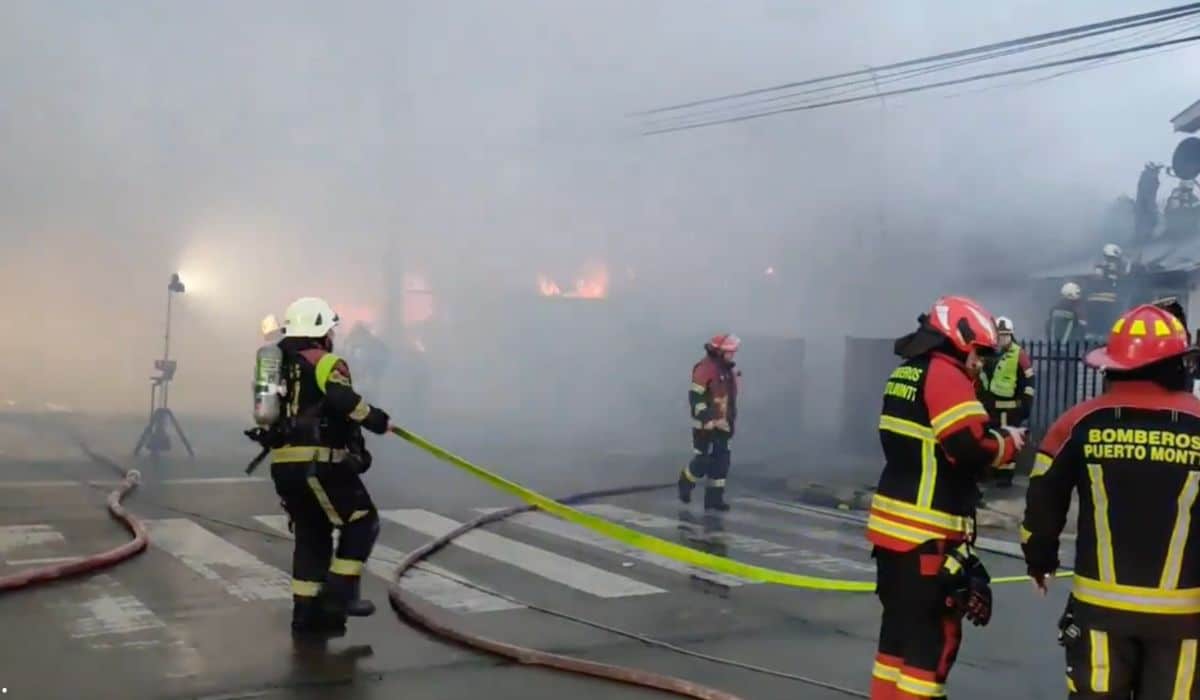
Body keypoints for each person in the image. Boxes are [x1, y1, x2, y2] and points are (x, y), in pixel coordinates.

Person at [1022, 304, 1200, 698]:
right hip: (1184, 619)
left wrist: (1039, 559)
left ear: (1112, 365)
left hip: (1100, 613)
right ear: (1179, 364)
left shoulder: (1077, 422)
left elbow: (1043, 494)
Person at [867, 296, 1026, 700]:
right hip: (928, 534)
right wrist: (1007, 444)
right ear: (960, 338)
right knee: (932, 647)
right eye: (980, 353)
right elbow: (969, 447)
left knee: (895, 644)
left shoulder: (906, 372)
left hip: (892, 534)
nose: (981, 363)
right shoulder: (945, 375)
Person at [267, 297, 391, 639]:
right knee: (363, 520)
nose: (333, 335)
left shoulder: (277, 363)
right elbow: (343, 401)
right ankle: (339, 596)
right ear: (320, 330)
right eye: (330, 329)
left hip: (285, 465)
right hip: (319, 463)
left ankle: (306, 619)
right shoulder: (327, 362)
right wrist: (379, 420)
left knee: (312, 535)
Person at [677, 333, 741, 512]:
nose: (732, 355)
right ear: (718, 351)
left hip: (723, 425)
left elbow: (729, 400)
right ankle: (685, 481)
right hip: (705, 427)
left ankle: (714, 500)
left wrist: (728, 421)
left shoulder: (727, 371)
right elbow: (696, 398)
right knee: (703, 461)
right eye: (729, 352)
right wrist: (709, 420)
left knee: (721, 463)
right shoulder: (705, 369)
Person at [978, 317, 1035, 487]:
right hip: (990, 407)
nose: (1001, 339)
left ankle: (1005, 475)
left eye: (1005, 335)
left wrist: (1026, 403)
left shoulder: (1020, 355)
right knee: (990, 439)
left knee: (1010, 440)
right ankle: (991, 471)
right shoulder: (989, 354)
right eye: (999, 335)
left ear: (1011, 335)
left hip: (1011, 409)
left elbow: (1029, 380)